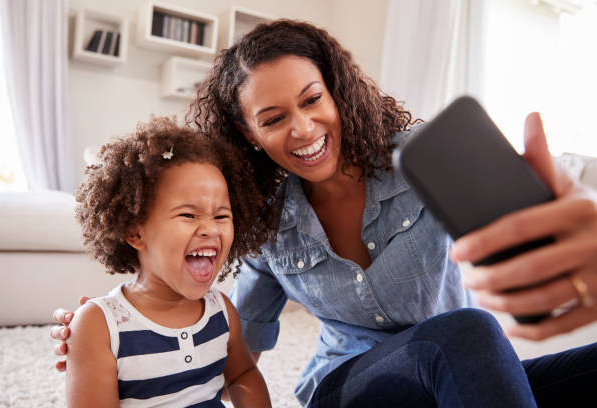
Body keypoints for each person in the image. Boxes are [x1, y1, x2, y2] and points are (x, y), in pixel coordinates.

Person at [53, 20, 597, 407]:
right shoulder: (265, 220)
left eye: (312, 100)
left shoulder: (422, 159)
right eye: (273, 117)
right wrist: (107, 337)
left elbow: (535, 243)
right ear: (250, 134)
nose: (303, 129)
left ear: (335, 93)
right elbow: (234, 341)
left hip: (446, 372)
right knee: (468, 334)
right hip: (348, 388)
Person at [64, 117, 271, 407]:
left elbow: (242, 376)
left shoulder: (221, 312)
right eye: (189, 215)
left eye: (222, 216)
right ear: (135, 232)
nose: (211, 229)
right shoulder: (101, 325)